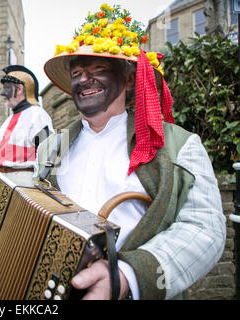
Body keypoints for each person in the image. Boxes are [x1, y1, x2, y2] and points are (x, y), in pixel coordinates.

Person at [35, 4, 226, 300]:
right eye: (77, 72)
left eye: (98, 70)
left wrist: (127, 277)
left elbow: (205, 229)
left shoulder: (180, 145)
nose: (84, 79)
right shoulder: (50, 147)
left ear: (127, 80)